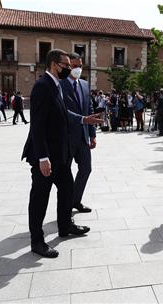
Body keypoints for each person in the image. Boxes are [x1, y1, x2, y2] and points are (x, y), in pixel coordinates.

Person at [22, 49, 89, 258]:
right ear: (53, 64)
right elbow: (38, 126)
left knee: (67, 189)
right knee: (40, 198)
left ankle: (64, 226)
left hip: (60, 155)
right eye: (66, 65)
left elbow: (61, 113)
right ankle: (37, 241)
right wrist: (43, 157)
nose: (69, 69)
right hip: (46, 156)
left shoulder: (56, 85)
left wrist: (83, 120)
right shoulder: (43, 86)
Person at [60, 52, 102, 214]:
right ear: (69, 66)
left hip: (83, 137)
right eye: (75, 66)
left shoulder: (84, 84)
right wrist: (83, 119)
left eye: (80, 66)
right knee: (65, 174)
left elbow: (89, 110)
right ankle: (64, 205)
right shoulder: (60, 84)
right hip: (66, 137)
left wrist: (92, 135)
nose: (78, 69)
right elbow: (62, 111)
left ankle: (75, 200)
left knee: (86, 168)